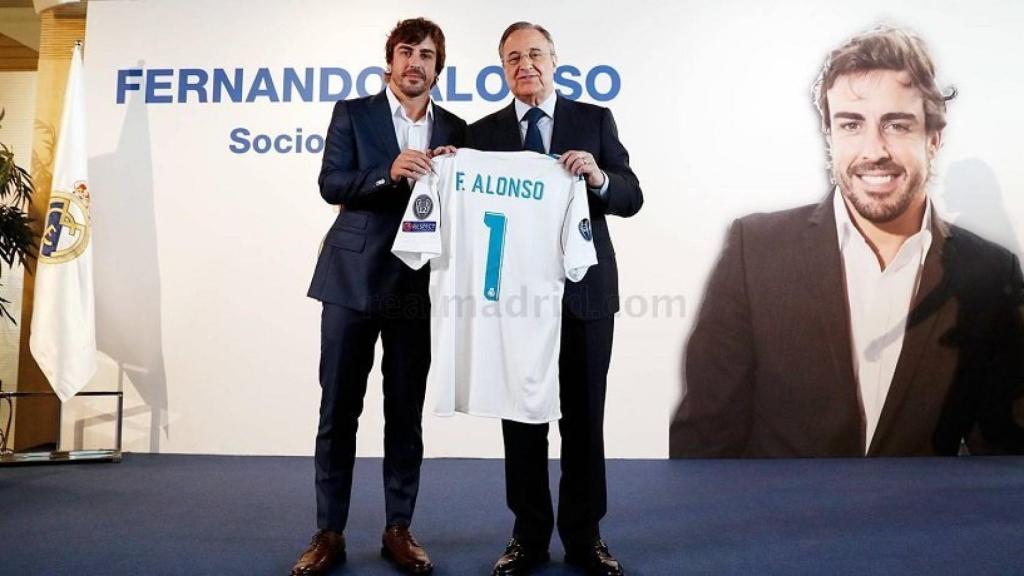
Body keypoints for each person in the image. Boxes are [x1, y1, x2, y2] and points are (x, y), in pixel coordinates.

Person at [670, 26, 1024, 458]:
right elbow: (705, 442)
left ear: (933, 139)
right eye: (852, 125)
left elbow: (1005, 456)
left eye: (896, 125)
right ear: (829, 136)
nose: (874, 149)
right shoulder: (755, 251)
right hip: (778, 524)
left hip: (922, 524)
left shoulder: (990, 272)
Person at [466, 21, 643, 576]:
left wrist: (598, 178)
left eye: (535, 54)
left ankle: (586, 536)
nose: (526, 66)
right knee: (522, 418)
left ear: (555, 60)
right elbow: (469, 213)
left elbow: (631, 195)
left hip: (585, 296)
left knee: (585, 419)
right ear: (502, 69)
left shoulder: (593, 120)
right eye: (513, 58)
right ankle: (528, 535)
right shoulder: (483, 134)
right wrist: (448, 169)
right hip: (515, 303)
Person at [293, 17, 465, 576]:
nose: (416, 62)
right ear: (389, 60)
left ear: (439, 68)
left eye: (428, 55)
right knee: (338, 410)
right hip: (350, 281)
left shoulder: (458, 127)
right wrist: (386, 172)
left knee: (404, 413)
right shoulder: (353, 113)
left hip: (415, 286)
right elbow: (330, 184)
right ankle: (328, 533)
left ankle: (398, 529)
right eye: (407, 52)